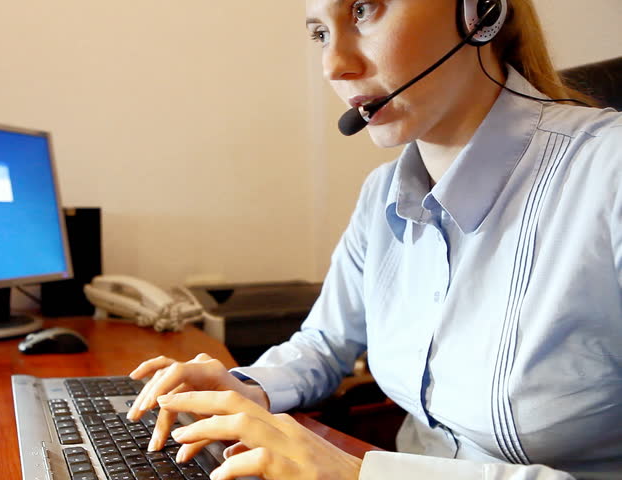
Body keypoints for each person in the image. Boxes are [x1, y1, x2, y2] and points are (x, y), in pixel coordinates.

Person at [126, 0, 622, 479]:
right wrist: (246, 386)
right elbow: (325, 343)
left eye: (362, 9)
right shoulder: (380, 195)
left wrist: (361, 474)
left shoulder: (609, 172)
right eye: (320, 33)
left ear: (479, 11)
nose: (334, 66)